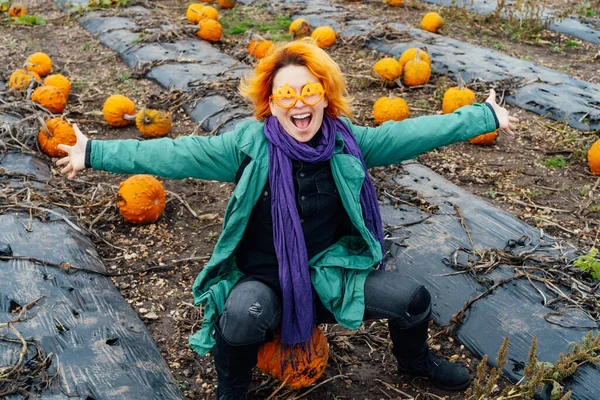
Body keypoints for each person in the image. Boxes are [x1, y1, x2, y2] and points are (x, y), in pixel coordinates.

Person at [57, 38, 518, 399]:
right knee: (241, 316)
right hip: (263, 279)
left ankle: (414, 363)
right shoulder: (246, 147)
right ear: (271, 102)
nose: (299, 104)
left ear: (325, 95)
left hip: (328, 276)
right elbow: (175, 152)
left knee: (413, 299)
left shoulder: (346, 141)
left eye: (309, 91)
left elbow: (412, 132)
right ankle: (232, 390)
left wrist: (482, 117)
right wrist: (94, 151)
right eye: (286, 94)